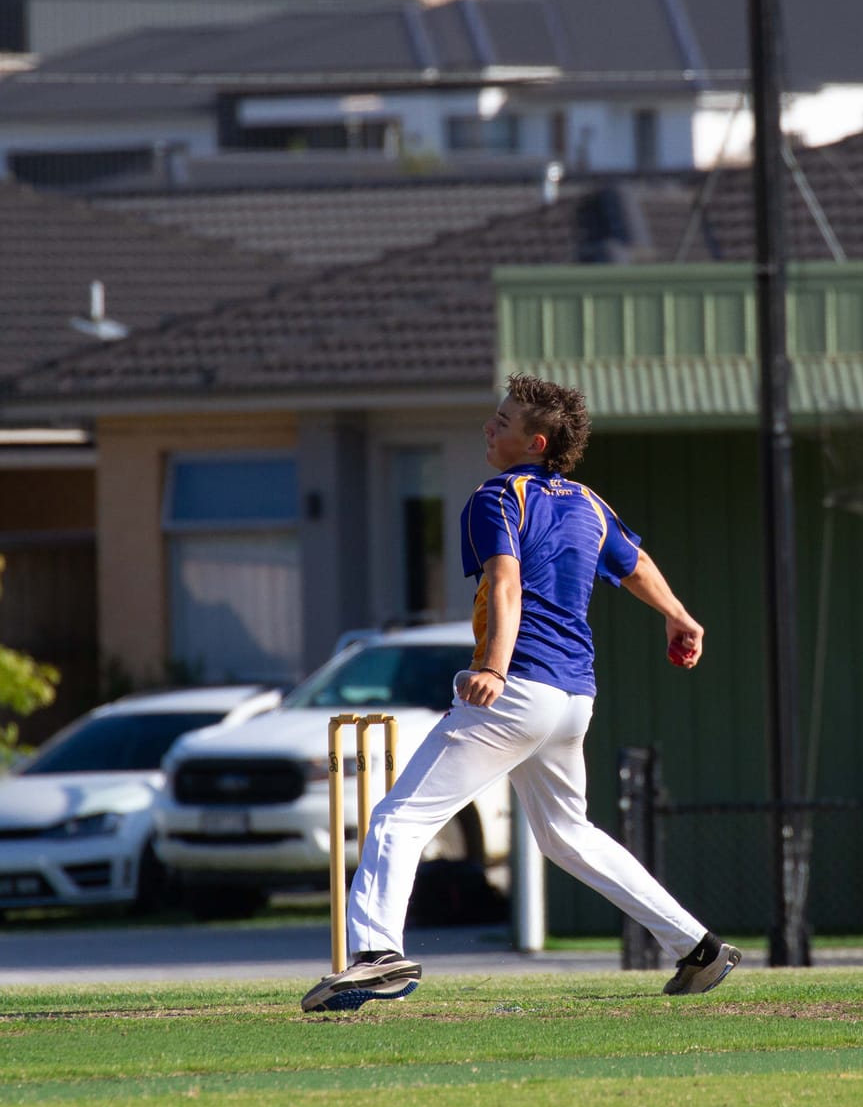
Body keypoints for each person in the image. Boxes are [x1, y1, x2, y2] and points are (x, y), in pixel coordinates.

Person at [302, 375, 738, 1012]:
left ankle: (377, 957)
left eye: (501, 422)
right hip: (572, 699)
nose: (489, 427)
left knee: (400, 818)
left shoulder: (497, 497)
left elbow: (506, 582)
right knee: (567, 835)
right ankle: (697, 947)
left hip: (517, 689)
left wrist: (494, 668)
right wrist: (678, 614)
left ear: (534, 442)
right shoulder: (587, 503)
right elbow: (634, 563)